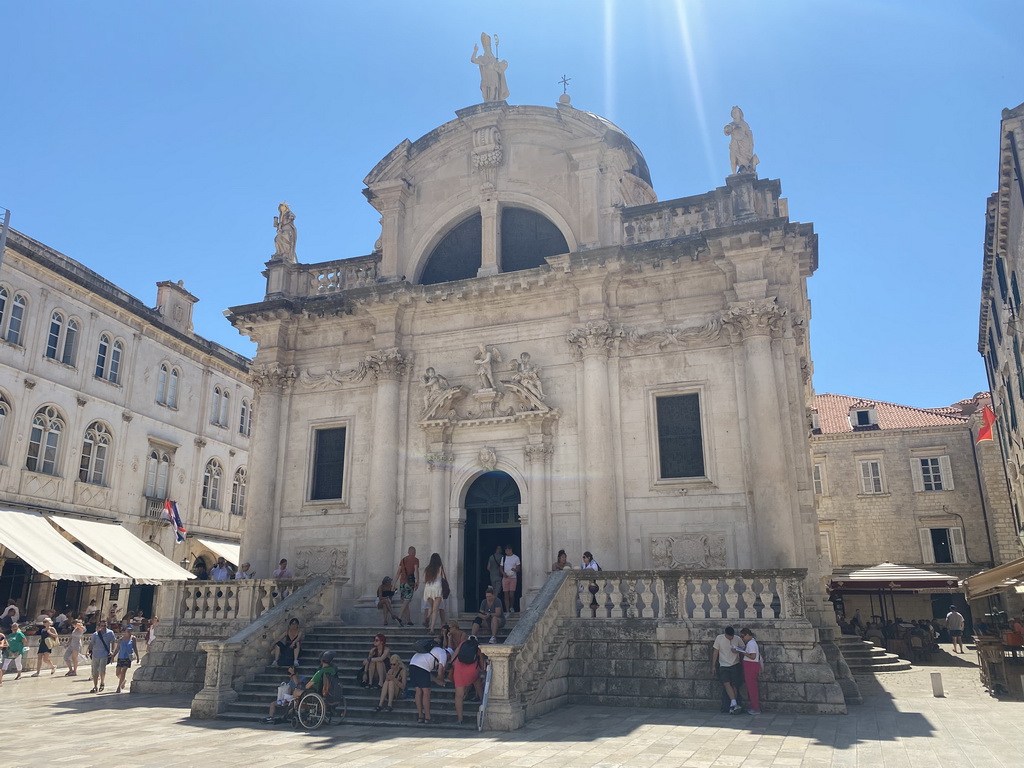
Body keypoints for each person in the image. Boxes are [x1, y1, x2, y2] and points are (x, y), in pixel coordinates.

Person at [409, 640, 447, 724]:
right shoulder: (443, 653)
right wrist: (441, 680)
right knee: (426, 692)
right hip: (421, 668)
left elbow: (426, 672)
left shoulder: (430, 649)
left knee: (418, 691)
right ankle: (428, 718)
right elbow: (440, 669)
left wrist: (437, 681)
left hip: (412, 664)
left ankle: (420, 716)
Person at [452, 635, 485, 725]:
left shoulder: (462, 644)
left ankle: (460, 719)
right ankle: (483, 701)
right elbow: (482, 662)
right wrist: (483, 671)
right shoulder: (477, 647)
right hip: (472, 670)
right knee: (477, 680)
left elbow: (454, 657)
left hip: (459, 669)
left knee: (459, 696)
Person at [711, 626, 744, 714]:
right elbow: (715, 652)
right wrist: (713, 665)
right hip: (724, 665)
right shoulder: (719, 638)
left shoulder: (737, 639)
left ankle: (734, 704)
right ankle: (734, 703)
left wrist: (737, 651)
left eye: (732, 636)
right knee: (726, 683)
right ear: (725, 634)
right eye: (729, 636)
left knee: (735, 685)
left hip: (735, 664)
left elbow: (743, 649)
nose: (731, 638)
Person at [470, 32, 509, 103]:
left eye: (488, 48)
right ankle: (487, 103)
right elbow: (473, 60)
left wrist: (497, 65)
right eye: (486, 48)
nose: (487, 50)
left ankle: (491, 103)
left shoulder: (494, 59)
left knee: (492, 88)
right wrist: (475, 51)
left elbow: (500, 66)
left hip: (493, 76)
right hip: (485, 77)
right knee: (484, 90)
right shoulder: (482, 58)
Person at [734, 627, 762, 715]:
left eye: (743, 636)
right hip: (750, 666)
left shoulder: (751, 644)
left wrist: (743, 653)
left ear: (747, 635)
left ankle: (755, 708)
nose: (742, 638)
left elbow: (753, 656)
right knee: (751, 688)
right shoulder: (751, 643)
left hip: (751, 666)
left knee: (752, 688)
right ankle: (753, 707)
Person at [88, 620, 116, 693]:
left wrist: (112, 651)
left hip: (104, 654)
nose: (103, 627)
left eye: (105, 626)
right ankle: (95, 686)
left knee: (102, 670)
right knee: (94, 671)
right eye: (102, 626)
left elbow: (113, 641)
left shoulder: (110, 633)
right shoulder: (95, 634)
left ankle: (102, 683)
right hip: (95, 654)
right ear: (99, 626)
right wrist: (88, 651)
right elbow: (91, 643)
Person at [422, 553, 447, 632]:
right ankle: (432, 629)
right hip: (437, 588)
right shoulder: (440, 568)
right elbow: (444, 578)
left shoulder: (427, 568)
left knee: (430, 607)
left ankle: (428, 616)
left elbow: (423, 580)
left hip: (428, 588)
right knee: (435, 610)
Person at [396, 546, 420, 627]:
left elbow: (398, 573)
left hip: (402, 583)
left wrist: (393, 584)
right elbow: (416, 570)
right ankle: (399, 617)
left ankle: (409, 620)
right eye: (414, 551)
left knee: (405, 601)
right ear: (413, 552)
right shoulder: (415, 560)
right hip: (409, 584)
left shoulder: (403, 560)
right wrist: (417, 581)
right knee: (407, 600)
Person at [114, 625, 140, 693]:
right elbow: (117, 648)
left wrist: (137, 656)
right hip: (120, 657)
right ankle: (123, 680)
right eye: (128, 630)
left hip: (128, 657)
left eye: (130, 630)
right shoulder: (120, 639)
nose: (129, 631)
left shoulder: (133, 638)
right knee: (117, 673)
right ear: (125, 631)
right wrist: (113, 656)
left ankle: (119, 687)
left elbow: (135, 647)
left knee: (123, 672)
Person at [501, 544, 521, 616]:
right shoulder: (504, 558)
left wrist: (515, 569)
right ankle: (507, 610)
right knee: (505, 594)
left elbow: (519, 568)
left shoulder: (516, 558)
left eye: (507, 550)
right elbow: (501, 567)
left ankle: (511, 606)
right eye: (505, 551)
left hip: (513, 577)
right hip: (505, 577)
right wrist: (503, 573)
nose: (506, 552)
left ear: (510, 550)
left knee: (511, 594)